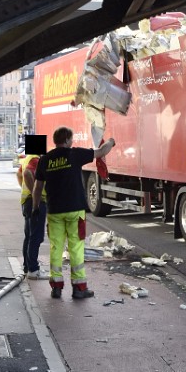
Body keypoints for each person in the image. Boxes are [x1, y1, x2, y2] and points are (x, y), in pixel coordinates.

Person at [31, 127, 116, 299]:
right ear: (68, 140)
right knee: (76, 248)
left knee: (56, 247)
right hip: (75, 211)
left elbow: (37, 187)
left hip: (54, 211)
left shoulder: (45, 159)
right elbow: (101, 152)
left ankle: (56, 287)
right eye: (72, 139)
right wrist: (111, 142)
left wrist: (35, 208)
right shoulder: (74, 154)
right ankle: (79, 288)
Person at [17, 152, 47, 279]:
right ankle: (33, 270)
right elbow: (27, 173)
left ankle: (27, 266)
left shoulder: (27, 158)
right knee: (36, 237)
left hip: (26, 202)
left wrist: (26, 189)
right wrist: (35, 195)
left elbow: (19, 174)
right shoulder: (35, 160)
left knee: (29, 236)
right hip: (35, 202)